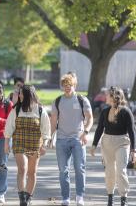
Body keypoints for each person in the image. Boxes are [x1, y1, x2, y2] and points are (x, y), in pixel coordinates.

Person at [50, 72, 93, 206]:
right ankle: (65, 197)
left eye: (70, 85)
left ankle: (79, 196)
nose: (67, 87)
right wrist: (51, 137)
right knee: (63, 170)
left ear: (74, 85)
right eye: (65, 85)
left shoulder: (82, 100)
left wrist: (85, 132)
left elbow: (90, 118)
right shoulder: (57, 101)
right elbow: (53, 121)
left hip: (77, 139)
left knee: (79, 169)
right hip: (61, 140)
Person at [4, 85, 51, 206]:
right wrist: (6, 144)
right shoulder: (16, 110)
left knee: (32, 172)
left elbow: (46, 130)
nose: (19, 96)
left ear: (28, 95)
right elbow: (9, 127)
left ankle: (28, 197)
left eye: (21, 94)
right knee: (22, 168)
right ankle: (22, 197)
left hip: (35, 145)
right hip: (19, 143)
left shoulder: (40, 110)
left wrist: (44, 145)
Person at [90, 86, 136, 206]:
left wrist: (133, 150)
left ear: (113, 98)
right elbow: (100, 129)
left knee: (121, 171)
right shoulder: (105, 111)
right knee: (110, 171)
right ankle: (110, 197)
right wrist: (94, 145)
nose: (105, 97)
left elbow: (132, 131)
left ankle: (123, 198)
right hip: (107, 143)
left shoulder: (126, 112)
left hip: (122, 143)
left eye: (108, 95)